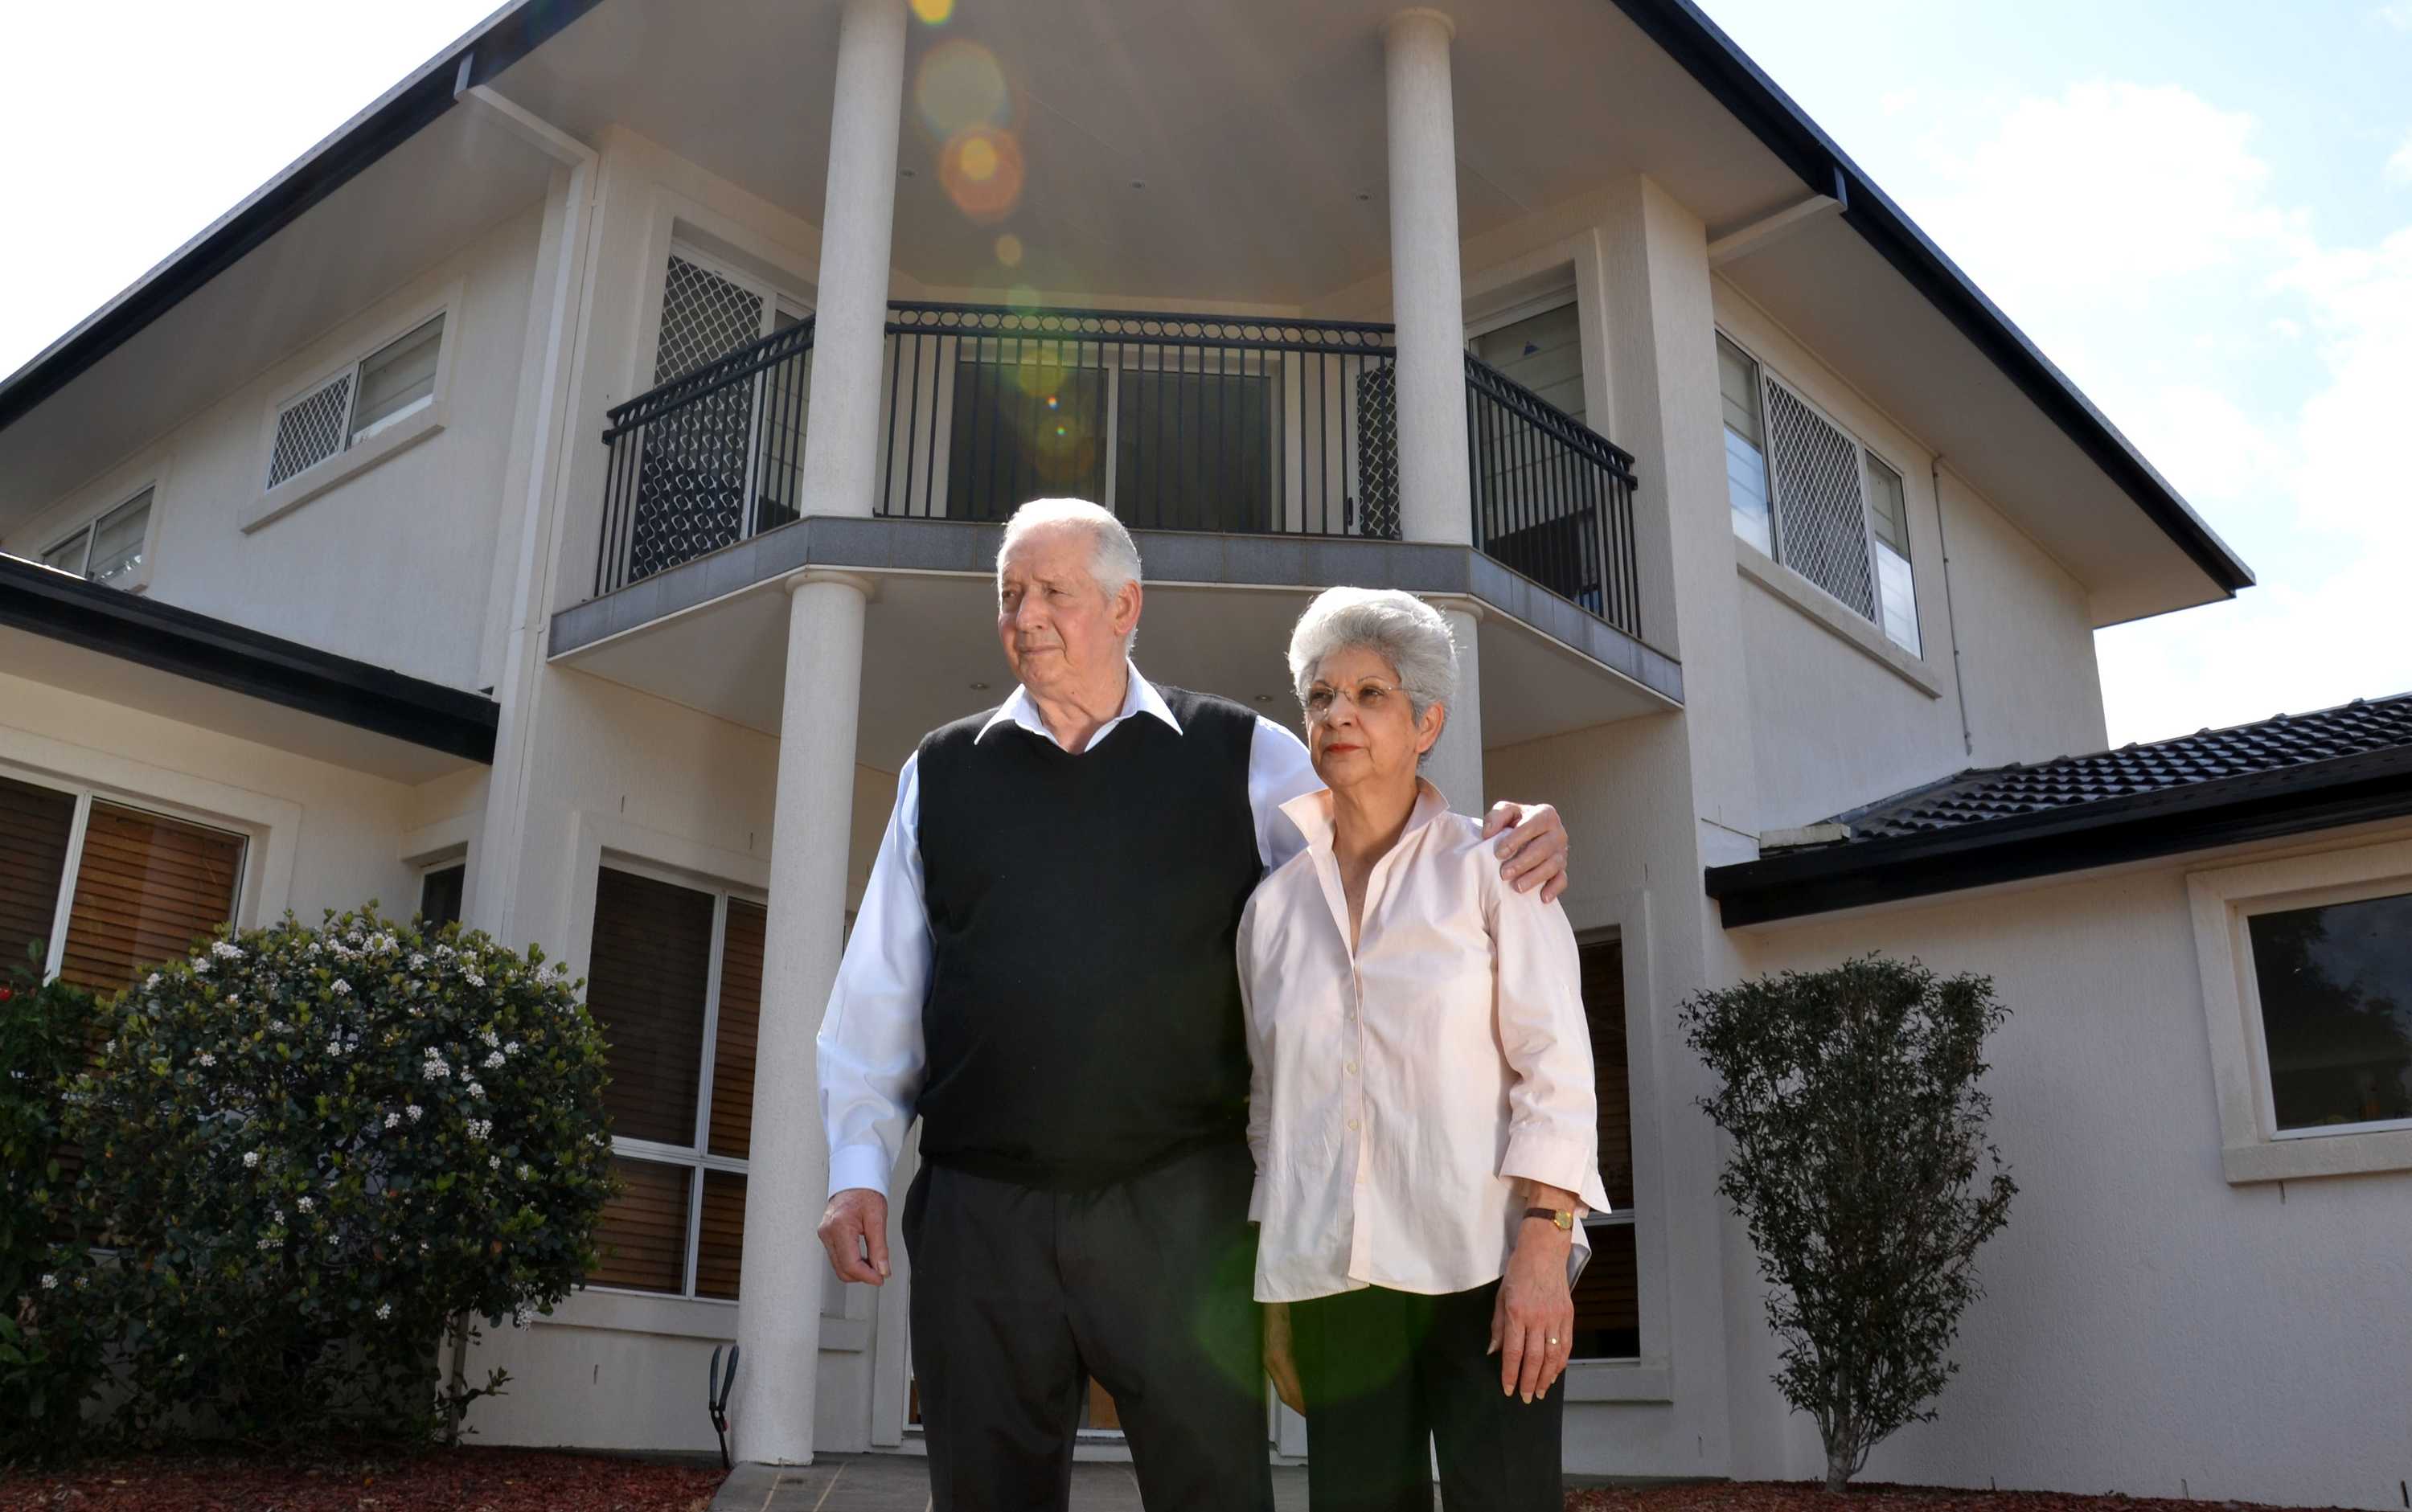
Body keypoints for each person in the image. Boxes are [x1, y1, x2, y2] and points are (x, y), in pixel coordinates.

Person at [813, 501, 1574, 1512]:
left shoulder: (1245, 755)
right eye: (1009, 594)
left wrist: (1513, 832)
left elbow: (1385, 817)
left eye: (1054, 592)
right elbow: (879, 992)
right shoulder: (939, 773)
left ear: (1127, 605)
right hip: (979, 1220)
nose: (1025, 615)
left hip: (1179, 1215)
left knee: (1214, 1492)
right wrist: (856, 1168)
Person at [1241, 586, 1611, 1512]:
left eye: (1369, 694)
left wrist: (1544, 1248)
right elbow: (1269, 1114)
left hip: (1486, 1270)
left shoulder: (1496, 869)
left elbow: (1556, 1071)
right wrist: (1278, 1297)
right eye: (1321, 696)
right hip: (1339, 1286)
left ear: (1426, 723)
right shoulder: (1271, 912)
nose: (1338, 714)